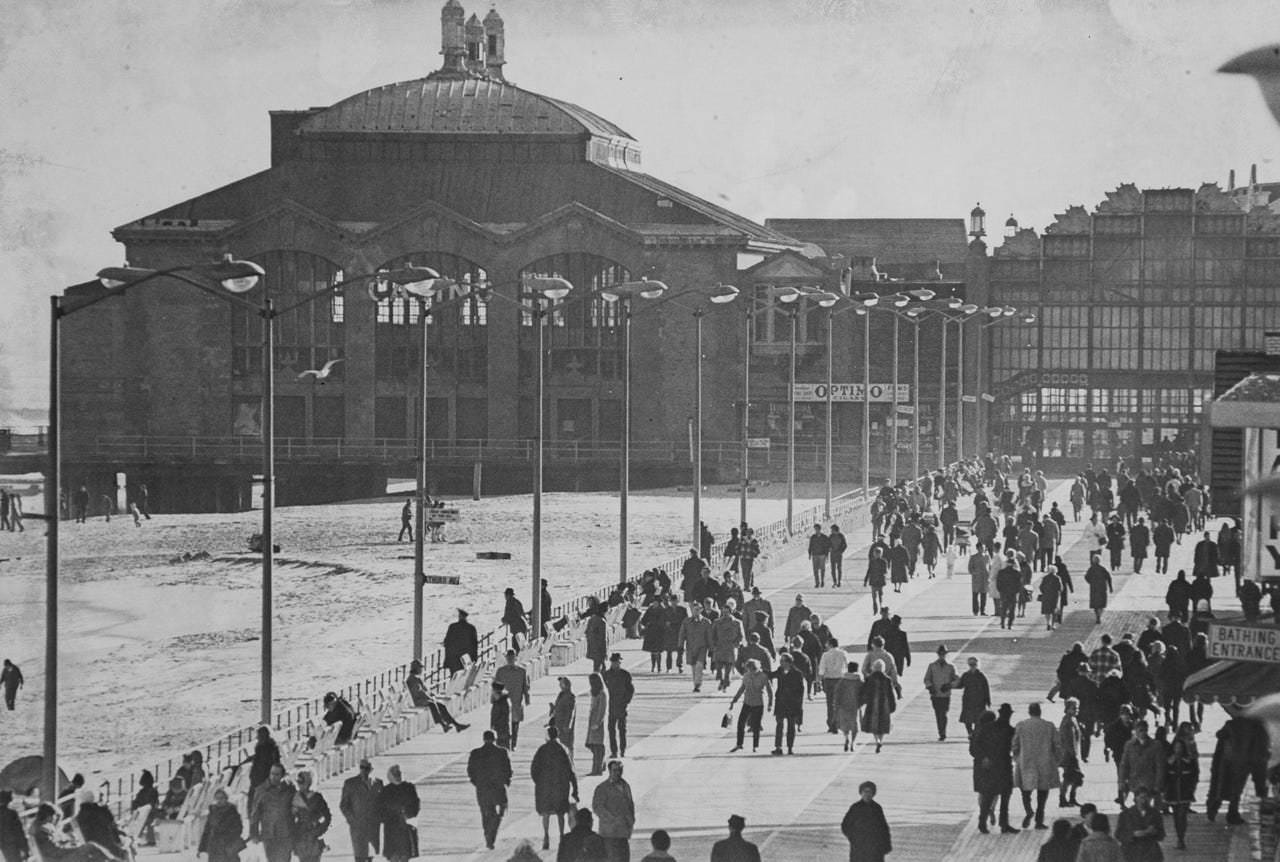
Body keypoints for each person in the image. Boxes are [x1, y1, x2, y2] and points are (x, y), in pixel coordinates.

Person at [1013, 702, 1061, 831]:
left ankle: (1029, 810)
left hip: (1026, 761)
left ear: (1029, 712)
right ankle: (1039, 820)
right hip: (1045, 762)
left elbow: (1015, 744)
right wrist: (1056, 760)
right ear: (1040, 712)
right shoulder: (1049, 726)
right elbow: (1057, 744)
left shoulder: (1021, 725)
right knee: (1042, 792)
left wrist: (1017, 757)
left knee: (1025, 790)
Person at [532, 725, 579, 851]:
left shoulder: (542, 749)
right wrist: (575, 789)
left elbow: (534, 768)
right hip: (560, 786)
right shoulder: (563, 749)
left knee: (546, 813)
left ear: (548, 735)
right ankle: (562, 836)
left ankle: (546, 836)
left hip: (545, 787)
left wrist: (539, 782)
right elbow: (571, 771)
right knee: (560, 813)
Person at [467, 730, 512, 850]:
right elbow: (507, 769)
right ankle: (491, 834)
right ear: (494, 739)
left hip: (482, 788)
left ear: (483, 739)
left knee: (485, 812)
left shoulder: (475, 753)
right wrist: (507, 780)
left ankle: (488, 834)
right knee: (500, 811)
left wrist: (476, 782)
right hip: (498, 787)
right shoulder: (502, 752)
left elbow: (470, 770)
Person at [404, 660, 468, 732]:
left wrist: (431, 694)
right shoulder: (412, 679)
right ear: (416, 668)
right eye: (420, 668)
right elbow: (419, 692)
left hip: (424, 699)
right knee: (432, 704)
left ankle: (455, 724)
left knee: (441, 705)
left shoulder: (416, 678)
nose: (422, 669)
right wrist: (430, 697)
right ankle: (443, 724)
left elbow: (425, 690)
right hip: (418, 701)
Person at [249, 764, 295, 862]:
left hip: (286, 833)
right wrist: (254, 833)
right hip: (269, 833)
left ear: (282, 776)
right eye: (272, 774)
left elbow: (296, 807)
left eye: (277, 774)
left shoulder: (289, 789)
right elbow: (255, 814)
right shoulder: (261, 790)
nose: (273, 777)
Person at [592, 760, 635, 862]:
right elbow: (598, 807)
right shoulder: (602, 788)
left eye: (620, 770)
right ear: (609, 771)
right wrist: (612, 819)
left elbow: (630, 804)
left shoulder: (625, 785)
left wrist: (631, 821)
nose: (618, 773)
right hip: (609, 834)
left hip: (623, 832)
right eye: (615, 770)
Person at [1164, 722, 1198, 850]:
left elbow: (1195, 773)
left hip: (1185, 791)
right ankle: (1179, 836)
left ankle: (1181, 838)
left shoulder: (1188, 761)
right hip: (1173, 792)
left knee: (1182, 815)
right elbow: (1165, 775)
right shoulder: (1169, 762)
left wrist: (1192, 787)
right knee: (1176, 816)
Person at [340, 760, 382, 862]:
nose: (364, 771)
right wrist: (352, 820)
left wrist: (380, 818)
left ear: (372, 770)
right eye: (361, 767)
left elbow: (382, 803)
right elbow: (344, 805)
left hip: (373, 827)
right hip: (358, 826)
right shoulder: (350, 783)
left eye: (366, 768)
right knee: (360, 856)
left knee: (370, 856)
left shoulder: (378, 783)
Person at [729, 658, 773, 753]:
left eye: (752, 669)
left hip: (758, 703)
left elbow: (770, 691)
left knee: (756, 726)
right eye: (748, 669)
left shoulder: (763, 676)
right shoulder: (746, 676)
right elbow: (742, 688)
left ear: (756, 668)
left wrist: (770, 704)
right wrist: (734, 700)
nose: (750, 671)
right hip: (747, 702)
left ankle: (755, 745)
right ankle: (739, 744)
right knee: (741, 723)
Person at [840, 781, 892, 862]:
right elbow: (845, 825)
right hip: (859, 847)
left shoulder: (877, 808)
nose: (867, 794)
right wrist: (854, 838)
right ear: (861, 793)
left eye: (870, 792)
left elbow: (883, 828)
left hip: (875, 848)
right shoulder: (855, 808)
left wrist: (886, 845)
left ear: (873, 793)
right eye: (865, 791)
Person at [377, 766, 419, 862]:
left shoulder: (386, 790)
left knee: (400, 854)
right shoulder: (408, 788)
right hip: (398, 826)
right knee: (400, 854)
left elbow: (415, 805)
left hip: (399, 826)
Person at [1115, 786, 1165, 862]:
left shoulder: (1155, 814)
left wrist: (1155, 832)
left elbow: (1162, 834)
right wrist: (1133, 834)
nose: (1144, 800)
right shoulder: (1125, 814)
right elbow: (1118, 834)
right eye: (1141, 797)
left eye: (1146, 798)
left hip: (1150, 853)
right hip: (1131, 853)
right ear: (1135, 798)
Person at [493, 650, 531, 750]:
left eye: (512, 658)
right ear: (506, 659)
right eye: (508, 658)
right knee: (504, 724)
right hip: (504, 702)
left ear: (515, 658)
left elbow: (525, 686)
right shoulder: (501, 671)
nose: (510, 660)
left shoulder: (522, 671)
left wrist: (527, 698)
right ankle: (506, 743)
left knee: (515, 724)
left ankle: (513, 743)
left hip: (516, 701)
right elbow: (496, 687)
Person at [290, 770, 331, 862]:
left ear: (309, 782)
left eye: (302, 782)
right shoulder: (296, 797)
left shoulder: (317, 797)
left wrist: (320, 830)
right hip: (301, 835)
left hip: (314, 835)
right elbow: (291, 818)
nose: (300, 785)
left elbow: (327, 817)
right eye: (299, 782)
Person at [75, 790, 126, 861]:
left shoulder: (78, 817)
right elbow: (112, 827)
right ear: (93, 798)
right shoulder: (101, 811)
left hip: (91, 850)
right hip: (107, 848)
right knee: (125, 850)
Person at [770, 652, 805, 755]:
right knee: (779, 725)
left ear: (789, 662)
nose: (780, 663)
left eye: (782, 661)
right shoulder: (780, 671)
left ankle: (790, 747)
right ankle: (778, 747)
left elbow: (800, 690)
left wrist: (799, 704)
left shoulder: (797, 673)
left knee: (791, 726)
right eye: (780, 661)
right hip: (781, 702)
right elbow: (771, 675)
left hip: (792, 703)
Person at [923, 644, 959, 742]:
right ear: (938, 654)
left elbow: (957, 680)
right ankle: (941, 731)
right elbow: (927, 679)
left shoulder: (951, 667)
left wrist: (949, 685)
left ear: (946, 654)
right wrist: (930, 687)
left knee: (944, 714)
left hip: (945, 695)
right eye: (940, 654)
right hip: (935, 694)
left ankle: (943, 732)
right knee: (938, 714)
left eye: (944, 654)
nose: (942, 655)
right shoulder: (932, 666)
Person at [861, 659, 897, 754]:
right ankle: (880, 740)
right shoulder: (887, 679)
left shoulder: (869, 679)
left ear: (873, 667)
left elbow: (865, 691)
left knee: (873, 725)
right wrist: (892, 705)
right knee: (883, 725)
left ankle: (877, 740)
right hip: (884, 705)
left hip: (872, 704)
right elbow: (890, 694)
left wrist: (862, 701)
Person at [198, 788, 244, 862]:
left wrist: (229, 838)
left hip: (228, 846)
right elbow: (207, 830)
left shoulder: (232, 811)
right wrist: (201, 848)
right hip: (214, 847)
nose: (219, 801)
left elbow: (238, 828)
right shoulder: (213, 810)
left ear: (226, 798)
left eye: (221, 798)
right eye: (217, 798)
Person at [677, 604, 713, 693]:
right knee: (693, 666)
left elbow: (709, 636)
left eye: (697, 609)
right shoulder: (686, 621)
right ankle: (695, 684)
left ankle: (698, 684)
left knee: (699, 666)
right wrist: (680, 646)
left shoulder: (706, 622)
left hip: (702, 647)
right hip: (690, 647)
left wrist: (711, 648)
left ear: (701, 610)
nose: (695, 611)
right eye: (694, 609)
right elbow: (682, 635)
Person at [955, 656, 991, 739]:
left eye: (974, 664)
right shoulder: (966, 675)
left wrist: (987, 700)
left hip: (979, 701)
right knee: (967, 719)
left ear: (977, 665)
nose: (972, 666)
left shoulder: (981, 676)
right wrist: (950, 685)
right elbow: (960, 685)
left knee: (978, 720)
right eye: (971, 665)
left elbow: (986, 688)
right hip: (968, 700)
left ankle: (975, 733)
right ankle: (970, 732)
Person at [1057, 698, 1084, 808]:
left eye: (1077, 707)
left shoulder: (1072, 719)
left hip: (1071, 753)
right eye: (1074, 708)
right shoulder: (1069, 721)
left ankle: (1069, 798)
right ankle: (1064, 798)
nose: (1077, 710)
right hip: (1069, 754)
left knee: (1072, 777)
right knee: (1071, 777)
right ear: (1068, 709)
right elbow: (1069, 739)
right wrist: (1073, 754)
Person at [833, 661, 864, 752]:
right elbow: (864, 693)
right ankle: (853, 742)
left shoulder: (842, 681)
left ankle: (846, 738)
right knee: (855, 725)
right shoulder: (859, 681)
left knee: (844, 724)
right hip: (855, 706)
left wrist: (836, 704)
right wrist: (862, 703)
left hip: (843, 705)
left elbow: (837, 693)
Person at [585, 672, 609, 776]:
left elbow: (602, 710)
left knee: (598, 746)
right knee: (593, 745)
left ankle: (597, 769)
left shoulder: (602, 694)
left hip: (598, 724)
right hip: (593, 722)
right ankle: (600, 765)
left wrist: (597, 723)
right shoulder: (595, 693)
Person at [442, 609, 479, 674]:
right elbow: (474, 645)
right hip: (466, 659)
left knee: (454, 677)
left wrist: (447, 660)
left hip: (454, 660)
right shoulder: (471, 628)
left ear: (459, 616)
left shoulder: (453, 627)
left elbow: (447, 643)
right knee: (466, 676)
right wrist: (474, 659)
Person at [0, 790, 30, 862]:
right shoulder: (11, 813)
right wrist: (25, 848)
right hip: (13, 845)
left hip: (3, 846)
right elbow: (19, 832)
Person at [1084, 554, 1113, 624]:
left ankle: (1097, 615)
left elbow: (1086, 577)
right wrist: (1110, 587)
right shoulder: (1102, 569)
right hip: (1102, 588)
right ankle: (1099, 615)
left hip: (1094, 588)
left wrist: (1091, 582)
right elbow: (1108, 577)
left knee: (1095, 603)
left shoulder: (1091, 568)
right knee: (1101, 603)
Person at [585, 606, 608, 674]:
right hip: (600, 647)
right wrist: (605, 651)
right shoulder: (602, 621)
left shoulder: (592, 619)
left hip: (592, 645)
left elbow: (586, 632)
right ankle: (597, 679)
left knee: (597, 663)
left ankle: (597, 676)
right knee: (599, 665)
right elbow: (603, 637)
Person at [865, 548, 888, 614]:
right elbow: (869, 570)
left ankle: (881, 607)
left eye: (878, 553)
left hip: (879, 580)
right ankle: (875, 608)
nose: (876, 555)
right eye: (875, 553)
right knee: (874, 596)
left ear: (881, 554)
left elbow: (885, 571)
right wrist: (866, 580)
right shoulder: (872, 561)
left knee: (880, 595)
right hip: (874, 580)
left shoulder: (883, 561)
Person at [969, 545, 990, 616]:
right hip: (976, 579)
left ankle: (982, 611)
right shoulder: (973, 557)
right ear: (978, 548)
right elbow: (970, 568)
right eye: (981, 548)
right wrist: (975, 573)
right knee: (975, 595)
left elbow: (989, 566)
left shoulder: (987, 557)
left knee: (983, 595)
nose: (982, 549)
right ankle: (975, 610)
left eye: (983, 548)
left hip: (985, 579)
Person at [490, 681, 513, 750]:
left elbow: (497, 714)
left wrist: (494, 724)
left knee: (502, 745)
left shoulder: (500, 702)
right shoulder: (502, 700)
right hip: (501, 726)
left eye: (493, 690)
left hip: (501, 727)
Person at [1039, 566, 1062, 631]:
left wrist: (1044, 592)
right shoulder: (1057, 578)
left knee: (1047, 610)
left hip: (1046, 596)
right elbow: (1060, 588)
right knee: (1054, 610)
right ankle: (1053, 624)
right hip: (1054, 596)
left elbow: (1041, 587)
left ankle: (1048, 623)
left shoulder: (1045, 578)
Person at [808, 523, 831, 588]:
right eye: (815, 529)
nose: (816, 530)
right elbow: (810, 546)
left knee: (822, 569)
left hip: (822, 555)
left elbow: (827, 546)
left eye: (817, 529)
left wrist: (827, 555)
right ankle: (817, 582)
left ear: (820, 529)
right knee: (815, 570)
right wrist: (809, 553)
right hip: (815, 554)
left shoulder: (824, 537)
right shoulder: (813, 537)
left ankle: (822, 581)